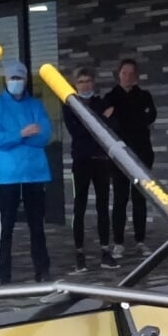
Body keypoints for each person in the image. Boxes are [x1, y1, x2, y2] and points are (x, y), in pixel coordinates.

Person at [0, 60, 53, 283]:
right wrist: (22, 133)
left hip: (34, 173)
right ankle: (3, 274)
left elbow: (44, 136)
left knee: (37, 226)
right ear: (5, 79)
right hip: (6, 176)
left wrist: (13, 138)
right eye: (12, 78)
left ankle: (42, 270)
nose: (16, 82)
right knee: (6, 227)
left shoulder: (36, 105)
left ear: (25, 79)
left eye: (19, 77)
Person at [61, 64, 114, 270]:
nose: (84, 86)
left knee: (103, 206)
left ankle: (105, 251)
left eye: (88, 81)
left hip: (100, 159)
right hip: (81, 160)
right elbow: (78, 132)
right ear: (76, 85)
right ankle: (79, 254)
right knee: (79, 206)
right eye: (80, 82)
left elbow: (109, 129)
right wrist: (101, 119)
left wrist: (98, 123)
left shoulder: (102, 102)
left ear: (93, 82)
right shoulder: (70, 105)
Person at [103, 58, 157, 258]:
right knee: (120, 199)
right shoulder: (109, 97)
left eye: (131, 73)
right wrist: (132, 116)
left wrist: (121, 115)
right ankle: (118, 242)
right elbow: (110, 123)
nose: (128, 76)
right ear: (118, 74)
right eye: (124, 73)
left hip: (142, 153)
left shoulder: (144, 95)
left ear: (136, 76)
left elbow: (150, 116)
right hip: (119, 156)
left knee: (139, 199)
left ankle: (140, 240)